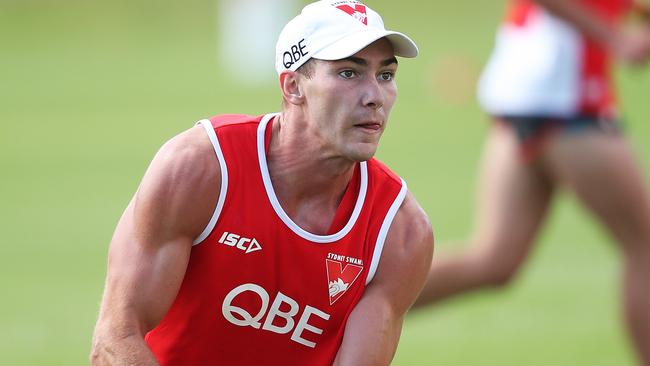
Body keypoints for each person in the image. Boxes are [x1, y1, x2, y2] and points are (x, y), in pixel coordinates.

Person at [90, 1, 433, 365]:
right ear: (293, 86)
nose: (374, 97)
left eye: (386, 75)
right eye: (349, 73)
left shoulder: (400, 234)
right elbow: (114, 339)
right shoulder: (200, 168)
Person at [414, 0, 650, 363]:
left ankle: (339, 311)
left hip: (523, 89)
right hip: (566, 93)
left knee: (494, 260)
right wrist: (616, 38)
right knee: (645, 246)